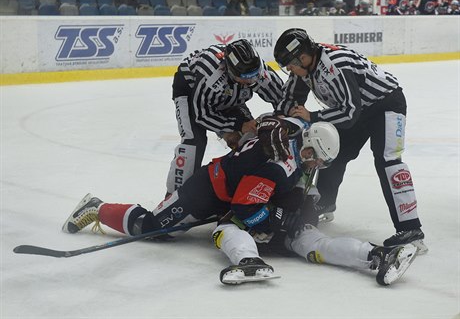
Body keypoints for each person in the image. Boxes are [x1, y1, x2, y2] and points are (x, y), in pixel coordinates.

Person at [62, 117, 418, 286]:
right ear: (308, 148)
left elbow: (285, 125)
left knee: (308, 238)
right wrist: (276, 216)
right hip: (210, 190)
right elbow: (248, 208)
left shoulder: (299, 147)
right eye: (315, 160)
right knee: (155, 227)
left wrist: (297, 212)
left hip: (243, 191)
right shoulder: (280, 166)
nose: (316, 167)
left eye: (320, 164)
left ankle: (375, 255)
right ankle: (96, 206)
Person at [273, 28, 427, 253]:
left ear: (304, 57)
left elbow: (349, 112)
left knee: (388, 161)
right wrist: (280, 119)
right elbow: (290, 100)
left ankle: (411, 228)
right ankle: (325, 202)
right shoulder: (303, 68)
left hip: (387, 104)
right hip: (359, 110)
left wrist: (312, 117)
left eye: (291, 64)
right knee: (331, 152)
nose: (289, 70)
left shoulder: (336, 65)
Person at [164, 39, 284, 196]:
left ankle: (246, 189)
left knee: (251, 137)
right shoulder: (211, 76)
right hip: (191, 90)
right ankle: (173, 197)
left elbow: (281, 98)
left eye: (255, 76)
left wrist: (283, 118)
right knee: (193, 143)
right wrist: (236, 125)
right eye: (246, 78)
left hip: (229, 92)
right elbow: (202, 115)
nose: (252, 81)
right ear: (231, 72)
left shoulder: (256, 70)